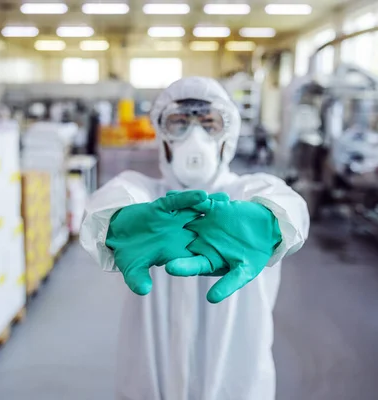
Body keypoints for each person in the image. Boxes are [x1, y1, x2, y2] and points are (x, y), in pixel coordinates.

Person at [80, 77, 309, 400]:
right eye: (179, 124)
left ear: (226, 135)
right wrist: (116, 222)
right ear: (163, 135)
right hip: (150, 380)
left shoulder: (248, 193)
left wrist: (270, 222)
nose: (194, 137)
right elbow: (113, 199)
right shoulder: (145, 195)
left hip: (236, 380)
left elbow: (287, 204)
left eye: (208, 124)